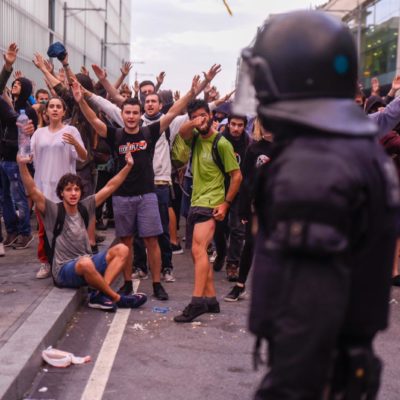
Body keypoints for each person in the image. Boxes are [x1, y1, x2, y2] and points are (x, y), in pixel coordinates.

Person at [236, 11, 400, 399]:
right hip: (342, 367)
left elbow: (309, 314)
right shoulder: (348, 147)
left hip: (317, 376)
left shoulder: (315, 167)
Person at [72, 76, 201, 301]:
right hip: (122, 197)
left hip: (147, 195)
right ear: (122, 115)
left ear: (139, 115)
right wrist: (81, 100)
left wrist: (192, 92)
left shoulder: (149, 132)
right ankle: (128, 284)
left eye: (134, 113)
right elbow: (93, 119)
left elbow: (172, 113)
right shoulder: (116, 135)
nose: (130, 117)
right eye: (127, 113)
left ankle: (157, 283)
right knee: (127, 241)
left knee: (152, 240)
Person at [17, 149, 146, 311]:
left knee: (123, 249)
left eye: (76, 189)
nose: (73, 193)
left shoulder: (85, 207)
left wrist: (128, 166)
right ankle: (117, 298)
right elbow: (33, 191)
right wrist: (22, 165)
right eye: (69, 189)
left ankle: (99, 294)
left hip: (86, 263)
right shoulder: (53, 211)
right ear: (61, 193)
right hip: (64, 271)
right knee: (85, 263)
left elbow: (110, 186)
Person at [173, 99, 242, 323]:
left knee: (199, 249)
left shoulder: (221, 143)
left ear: (211, 116)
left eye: (204, 115)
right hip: (196, 199)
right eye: (196, 116)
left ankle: (197, 302)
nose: (201, 119)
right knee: (197, 253)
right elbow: (182, 132)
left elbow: (236, 176)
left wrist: (225, 204)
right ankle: (211, 300)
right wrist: (193, 122)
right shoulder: (193, 136)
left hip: (212, 202)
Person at [31, 96, 87, 279]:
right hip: (43, 187)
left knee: (64, 228)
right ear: (46, 111)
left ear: (64, 111)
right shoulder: (39, 133)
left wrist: (75, 143)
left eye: (58, 107)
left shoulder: (71, 131)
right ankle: (45, 262)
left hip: (64, 190)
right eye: (51, 106)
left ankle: (64, 262)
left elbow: (83, 156)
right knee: (43, 230)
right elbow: (29, 157)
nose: (55, 109)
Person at [224, 118, 273, 301]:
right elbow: (245, 181)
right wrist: (244, 209)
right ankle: (240, 285)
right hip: (258, 208)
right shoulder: (254, 149)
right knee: (250, 245)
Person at [212, 113, 250, 281]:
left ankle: (233, 264)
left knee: (237, 230)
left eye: (240, 125)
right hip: (220, 191)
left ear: (244, 126)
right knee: (219, 228)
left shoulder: (248, 143)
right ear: (228, 124)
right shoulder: (220, 141)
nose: (236, 128)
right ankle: (221, 253)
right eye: (233, 124)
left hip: (240, 192)